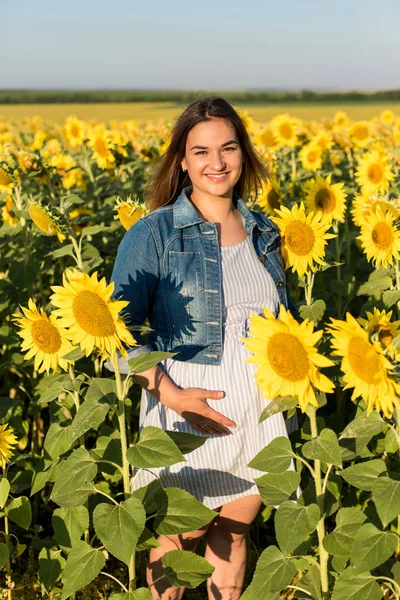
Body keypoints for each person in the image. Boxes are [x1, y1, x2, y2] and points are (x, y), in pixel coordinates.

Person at [110, 97, 297, 600]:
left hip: (258, 412)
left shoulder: (264, 231)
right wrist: (168, 393)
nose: (217, 163)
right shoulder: (153, 234)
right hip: (189, 412)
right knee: (178, 540)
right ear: (182, 161)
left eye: (228, 148)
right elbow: (115, 334)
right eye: (201, 151)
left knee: (232, 536)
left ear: (244, 154)